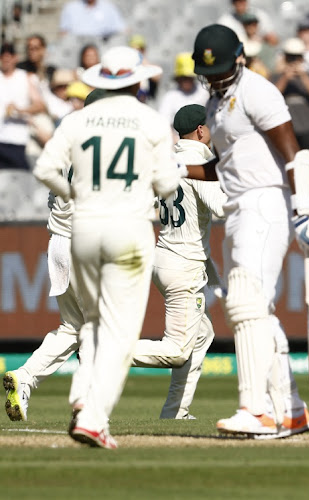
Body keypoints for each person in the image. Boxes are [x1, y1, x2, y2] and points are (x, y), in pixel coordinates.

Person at [33, 46, 181, 449]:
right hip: (128, 230)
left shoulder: (77, 121)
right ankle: (94, 418)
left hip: (83, 230)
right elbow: (168, 186)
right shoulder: (148, 120)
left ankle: (83, 397)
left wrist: (76, 195)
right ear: (136, 81)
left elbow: (44, 169)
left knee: (94, 322)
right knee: (119, 330)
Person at [187, 24, 309, 438]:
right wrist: (179, 169)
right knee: (255, 311)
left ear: (241, 58)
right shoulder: (215, 103)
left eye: (220, 71)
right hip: (235, 207)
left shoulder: (258, 90)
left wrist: (304, 211)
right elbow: (223, 163)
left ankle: (257, 410)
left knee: (247, 303)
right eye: (207, 73)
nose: (213, 79)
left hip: (265, 202)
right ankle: (292, 409)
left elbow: (293, 152)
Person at [3, 88, 108, 423]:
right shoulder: (102, 149)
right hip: (84, 242)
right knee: (97, 325)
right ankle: (86, 404)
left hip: (59, 243)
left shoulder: (63, 145)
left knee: (71, 326)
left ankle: (25, 377)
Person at [129, 104, 225, 419]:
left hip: (166, 254)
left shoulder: (168, 159)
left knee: (202, 334)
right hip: (183, 265)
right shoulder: (198, 160)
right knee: (177, 350)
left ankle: (175, 411)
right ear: (201, 130)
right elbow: (221, 207)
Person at [271, 37, 309, 160]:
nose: (293, 61)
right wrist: (285, 77)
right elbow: (272, 95)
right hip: (286, 129)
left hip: (307, 127)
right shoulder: (276, 76)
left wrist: (303, 75)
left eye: (297, 57)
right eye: (290, 57)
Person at [0, 42, 45, 170]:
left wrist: (20, 110)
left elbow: (39, 105)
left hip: (18, 140)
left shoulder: (24, 77)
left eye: (9, 57)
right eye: (3, 57)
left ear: (16, 58)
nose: (6, 60)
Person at [158, 52, 210, 138]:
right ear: (177, 78)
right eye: (183, 77)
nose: (186, 81)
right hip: (179, 144)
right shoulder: (170, 97)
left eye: (189, 77)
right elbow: (163, 124)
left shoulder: (204, 92)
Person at [58, 0, 126, 39]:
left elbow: (122, 29)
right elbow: (63, 33)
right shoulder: (70, 8)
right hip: (77, 46)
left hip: (103, 44)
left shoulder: (108, 7)